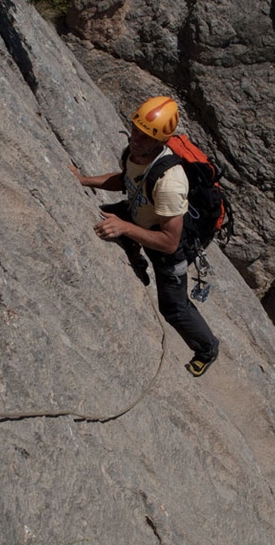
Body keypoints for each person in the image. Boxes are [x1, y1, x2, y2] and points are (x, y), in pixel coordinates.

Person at [70, 96, 219, 377]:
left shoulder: (170, 182)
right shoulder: (135, 152)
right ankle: (134, 252)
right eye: (135, 129)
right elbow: (127, 179)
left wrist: (126, 229)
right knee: (106, 215)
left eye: (146, 135)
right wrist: (84, 180)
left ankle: (207, 349)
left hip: (167, 249)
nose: (136, 138)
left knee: (173, 309)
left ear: (161, 139)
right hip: (141, 218)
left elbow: (169, 242)